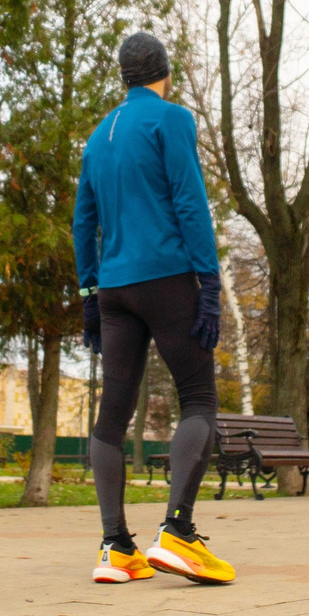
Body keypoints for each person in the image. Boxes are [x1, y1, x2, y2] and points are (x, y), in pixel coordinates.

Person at [73, 32, 234, 586]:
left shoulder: (98, 137)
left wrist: (89, 294)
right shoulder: (172, 120)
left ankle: (115, 547)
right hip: (167, 277)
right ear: (165, 72)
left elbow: (82, 222)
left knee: (112, 415)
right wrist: (208, 282)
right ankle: (179, 533)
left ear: (124, 76)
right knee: (199, 399)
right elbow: (190, 201)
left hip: (114, 291)